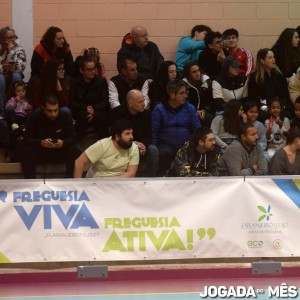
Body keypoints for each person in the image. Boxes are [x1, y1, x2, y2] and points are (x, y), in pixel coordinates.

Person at [22, 96, 81, 179]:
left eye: (55, 110)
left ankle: (70, 182)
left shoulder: (65, 116)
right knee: (27, 152)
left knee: (74, 151)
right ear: (43, 108)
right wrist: (41, 142)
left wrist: (63, 143)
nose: (53, 114)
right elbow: (27, 139)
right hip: (41, 151)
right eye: (49, 111)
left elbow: (73, 138)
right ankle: (31, 185)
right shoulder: (34, 116)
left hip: (59, 151)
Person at [151, 79, 201, 175]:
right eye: (182, 93)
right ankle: (162, 175)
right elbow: (154, 131)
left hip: (186, 145)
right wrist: (155, 147)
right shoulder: (159, 109)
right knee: (163, 152)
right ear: (172, 95)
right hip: (166, 145)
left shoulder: (190, 108)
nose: (185, 96)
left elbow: (197, 129)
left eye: (186, 93)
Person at [111, 89, 157, 177]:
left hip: (141, 147)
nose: (144, 104)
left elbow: (148, 134)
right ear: (130, 103)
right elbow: (114, 137)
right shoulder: (116, 113)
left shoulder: (146, 114)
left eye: (144, 101)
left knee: (153, 150)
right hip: (123, 146)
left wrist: (144, 144)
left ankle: (150, 180)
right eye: (140, 102)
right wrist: (133, 144)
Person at [74, 119, 139, 178]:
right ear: (117, 137)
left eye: (131, 133)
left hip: (120, 182)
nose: (131, 137)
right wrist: (77, 187)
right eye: (127, 134)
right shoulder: (102, 145)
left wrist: (111, 183)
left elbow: (131, 173)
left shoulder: (134, 148)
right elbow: (79, 162)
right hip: (96, 182)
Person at [71, 57, 109, 142]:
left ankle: (107, 143)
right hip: (81, 110)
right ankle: (76, 144)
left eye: (94, 69)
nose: (93, 72)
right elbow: (72, 102)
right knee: (83, 116)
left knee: (99, 117)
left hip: (98, 110)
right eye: (89, 69)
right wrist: (86, 108)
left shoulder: (101, 81)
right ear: (81, 70)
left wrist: (93, 109)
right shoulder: (75, 82)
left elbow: (105, 101)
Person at [248, 48, 292, 122]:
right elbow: (253, 98)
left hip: (279, 107)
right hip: (264, 109)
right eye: (270, 58)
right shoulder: (254, 77)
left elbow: (285, 95)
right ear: (262, 61)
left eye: (273, 57)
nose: (273, 59)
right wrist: (265, 108)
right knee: (262, 116)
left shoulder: (280, 76)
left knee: (289, 114)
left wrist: (280, 107)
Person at [0, 26, 26, 118]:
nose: (12, 40)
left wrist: (11, 52)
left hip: (14, 74)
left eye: (13, 37)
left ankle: (18, 109)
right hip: (2, 75)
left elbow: (20, 68)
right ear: (2, 39)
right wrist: (2, 67)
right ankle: (1, 112)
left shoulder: (19, 49)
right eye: (9, 38)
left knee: (16, 76)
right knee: (1, 78)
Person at [182, 62, 214, 126]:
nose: (197, 74)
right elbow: (184, 102)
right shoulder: (184, 86)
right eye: (194, 72)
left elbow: (210, 101)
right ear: (188, 74)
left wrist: (204, 110)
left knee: (208, 117)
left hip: (204, 111)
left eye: (198, 70)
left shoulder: (206, 82)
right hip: (189, 112)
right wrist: (196, 111)